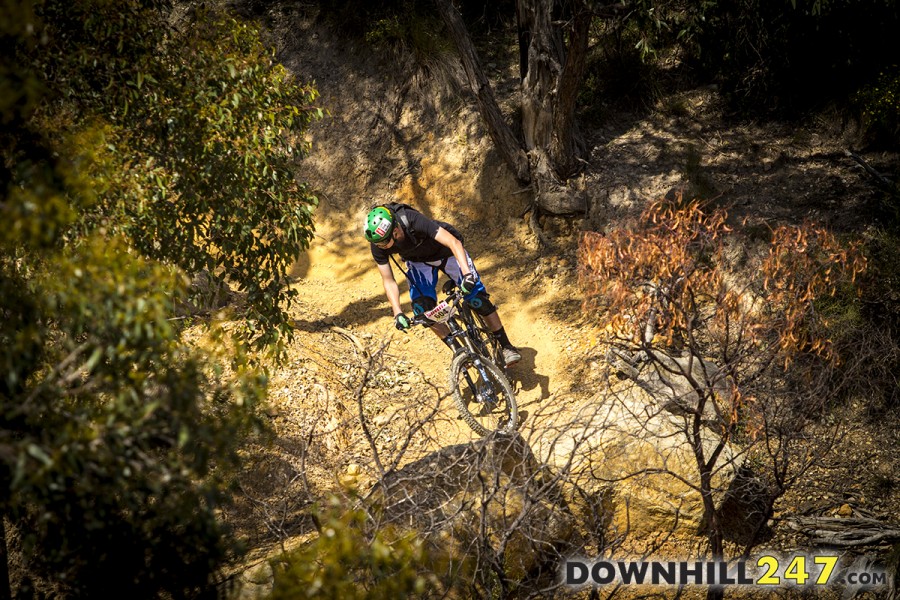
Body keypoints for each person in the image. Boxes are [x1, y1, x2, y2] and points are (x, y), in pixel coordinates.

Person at [364, 203, 521, 367]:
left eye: (383, 243)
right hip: (419, 262)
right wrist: (397, 313)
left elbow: (454, 243)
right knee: (422, 310)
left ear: (395, 232)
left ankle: (506, 346)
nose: (380, 247)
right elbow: (388, 280)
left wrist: (467, 275)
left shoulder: (411, 219)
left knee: (477, 298)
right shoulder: (377, 243)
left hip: (447, 253)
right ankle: (459, 351)